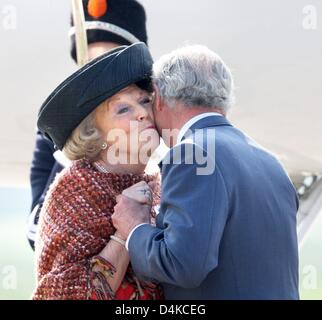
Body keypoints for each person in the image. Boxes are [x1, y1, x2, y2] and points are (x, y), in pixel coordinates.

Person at [112, 45, 300, 299]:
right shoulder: (271, 162)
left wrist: (133, 227)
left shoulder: (192, 153)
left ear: (158, 97)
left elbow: (181, 265)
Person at [32, 43, 163, 300]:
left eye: (144, 101)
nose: (142, 113)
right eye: (123, 109)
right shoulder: (75, 190)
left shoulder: (159, 184)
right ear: (94, 134)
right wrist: (125, 232)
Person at [28, 0, 149, 250]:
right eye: (91, 66)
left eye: (111, 65)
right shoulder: (54, 137)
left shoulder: (156, 123)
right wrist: (77, 144)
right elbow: (36, 235)